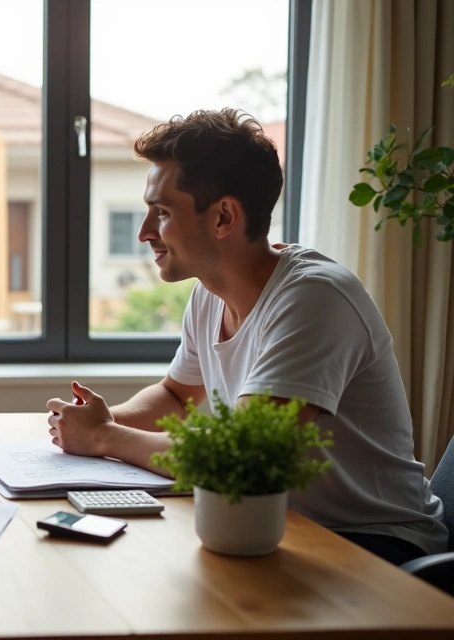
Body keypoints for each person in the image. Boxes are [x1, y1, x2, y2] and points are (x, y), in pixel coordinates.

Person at [46, 108, 446, 565]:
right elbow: (177, 397)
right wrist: (98, 422)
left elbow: (240, 458)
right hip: (277, 525)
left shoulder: (315, 299)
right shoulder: (208, 294)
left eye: (161, 213)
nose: (143, 233)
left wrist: (104, 438)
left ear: (223, 217)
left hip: (375, 545)